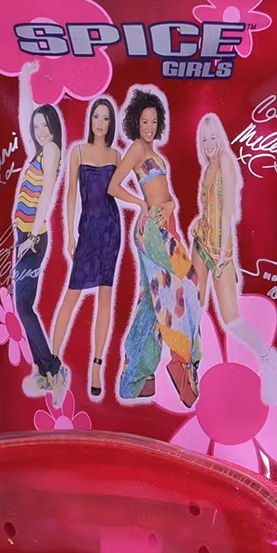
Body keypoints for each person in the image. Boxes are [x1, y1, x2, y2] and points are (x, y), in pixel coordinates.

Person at [108, 87, 202, 407]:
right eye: (144, 121)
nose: (149, 127)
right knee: (182, 289)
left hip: (167, 226)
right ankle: (180, 362)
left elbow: (165, 194)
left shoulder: (154, 153)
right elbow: (113, 186)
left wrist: (171, 204)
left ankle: (137, 376)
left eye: (153, 122)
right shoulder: (137, 149)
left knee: (152, 301)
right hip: (152, 232)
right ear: (136, 122)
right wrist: (141, 205)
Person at [190, 112, 277, 406]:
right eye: (204, 140)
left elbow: (229, 214)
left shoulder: (226, 164)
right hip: (201, 241)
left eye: (212, 138)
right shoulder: (208, 168)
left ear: (220, 137)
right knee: (193, 307)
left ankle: (266, 357)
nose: (209, 144)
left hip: (220, 250)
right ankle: (191, 373)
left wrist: (222, 254)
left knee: (230, 319)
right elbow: (209, 211)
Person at [49, 97, 122, 398]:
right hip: (87, 231)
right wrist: (69, 235)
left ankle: (97, 366)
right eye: (96, 117)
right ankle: (52, 362)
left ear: (111, 123)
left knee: (105, 297)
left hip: (111, 231)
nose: (100, 123)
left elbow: (120, 190)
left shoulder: (117, 155)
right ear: (90, 119)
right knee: (71, 296)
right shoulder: (77, 151)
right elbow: (70, 195)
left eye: (106, 118)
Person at [11, 62, 67, 405]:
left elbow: (47, 193)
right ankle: (45, 372)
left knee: (23, 305)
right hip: (24, 236)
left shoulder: (51, 150)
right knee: (24, 306)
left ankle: (53, 368)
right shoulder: (39, 150)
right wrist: (24, 80)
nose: (40, 130)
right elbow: (24, 117)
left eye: (45, 125)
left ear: (53, 127)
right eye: (37, 126)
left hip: (32, 239)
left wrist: (31, 236)